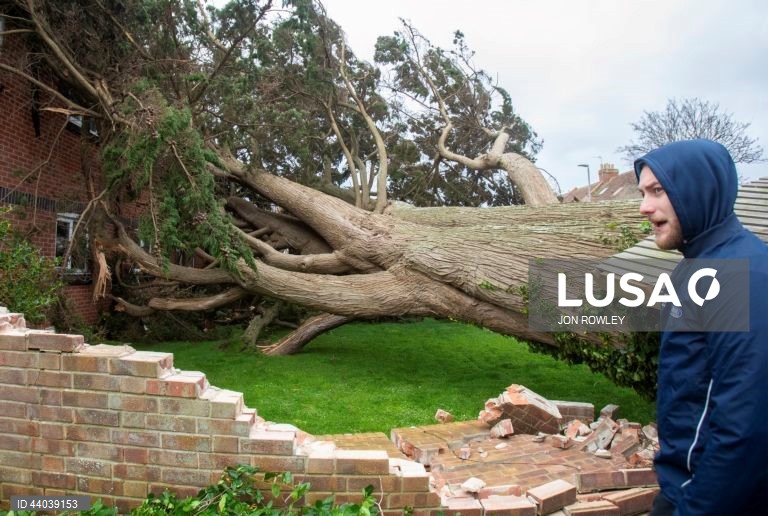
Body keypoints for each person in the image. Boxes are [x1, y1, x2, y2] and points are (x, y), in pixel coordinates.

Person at [634, 139, 768, 515]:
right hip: (681, 489)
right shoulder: (694, 270)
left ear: (697, 189)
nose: (645, 206)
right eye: (643, 192)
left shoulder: (744, 275)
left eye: (658, 191)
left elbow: (745, 428)